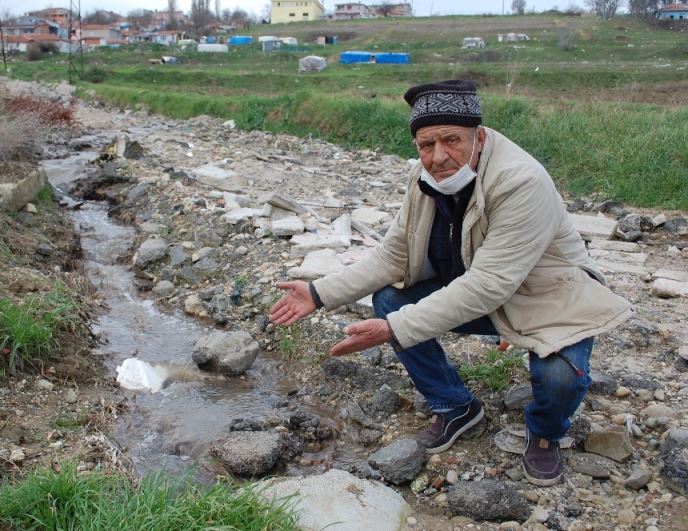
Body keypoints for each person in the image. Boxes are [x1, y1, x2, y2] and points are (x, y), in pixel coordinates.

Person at [268, 79, 633, 487]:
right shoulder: (425, 179)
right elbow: (393, 256)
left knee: (560, 378)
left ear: (478, 136)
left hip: (548, 300)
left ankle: (546, 433)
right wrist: (318, 293)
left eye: (451, 140)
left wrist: (395, 329)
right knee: (391, 298)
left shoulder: (520, 180)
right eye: (426, 144)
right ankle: (456, 406)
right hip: (483, 294)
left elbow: (489, 283)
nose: (439, 156)